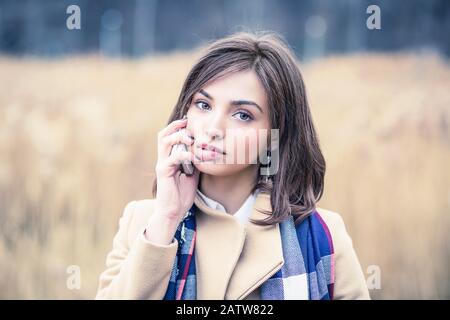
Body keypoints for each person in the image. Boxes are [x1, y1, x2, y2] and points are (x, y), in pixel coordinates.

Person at [95, 31, 370, 300]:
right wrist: (167, 218)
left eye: (242, 115)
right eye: (203, 105)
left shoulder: (321, 236)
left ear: (275, 135)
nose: (213, 128)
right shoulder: (143, 223)